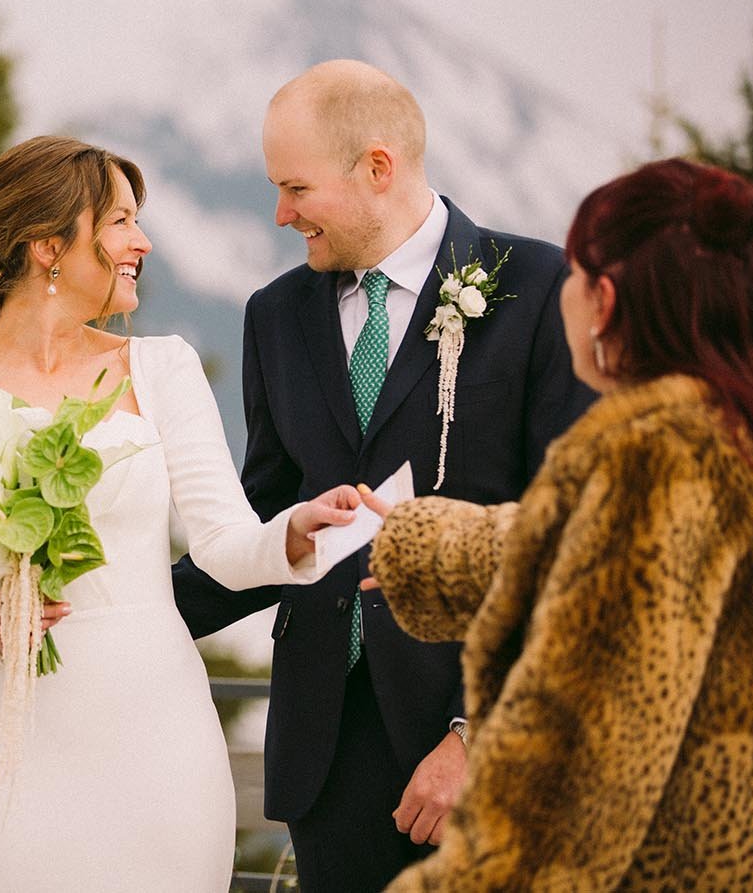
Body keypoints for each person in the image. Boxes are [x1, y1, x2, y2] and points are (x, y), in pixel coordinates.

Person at [0, 135, 360, 892]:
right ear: (47, 245)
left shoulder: (162, 367)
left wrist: (291, 534)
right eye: (122, 220)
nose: (143, 241)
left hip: (156, 732)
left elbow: (224, 541)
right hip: (8, 741)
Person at [171, 59, 595, 892]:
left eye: (296, 188)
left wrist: (479, 735)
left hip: (482, 743)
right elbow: (263, 521)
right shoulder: (276, 314)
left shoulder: (541, 288)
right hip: (325, 751)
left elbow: (569, 533)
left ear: (377, 168)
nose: (281, 213)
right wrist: (125, 616)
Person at [362, 157, 753, 889]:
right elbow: (602, 552)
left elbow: (586, 761)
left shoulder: (649, 461)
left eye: (572, 274)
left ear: (602, 298)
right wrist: (429, 546)